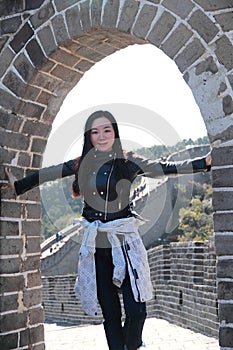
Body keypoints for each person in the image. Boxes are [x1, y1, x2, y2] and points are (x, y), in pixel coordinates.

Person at [2, 110, 211, 350]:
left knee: (137, 311)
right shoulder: (80, 164)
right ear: (89, 136)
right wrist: (17, 184)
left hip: (124, 243)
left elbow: (161, 167)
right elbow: (46, 174)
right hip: (96, 248)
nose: (101, 136)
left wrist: (202, 163)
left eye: (107, 130)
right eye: (95, 132)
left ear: (115, 133)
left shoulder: (127, 162)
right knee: (111, 316)